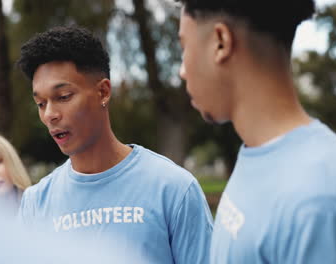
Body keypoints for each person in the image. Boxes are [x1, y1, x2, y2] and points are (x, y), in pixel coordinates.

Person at [175, 0, 336, 263]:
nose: (182, 71)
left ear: (221, 42)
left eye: (184, 47)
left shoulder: (318, 200)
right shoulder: (259, 154)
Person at [16, 26, 213, 264]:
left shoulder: (174, 189)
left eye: (64, 97)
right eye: (40, 103)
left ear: (103, 92)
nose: (50, 114)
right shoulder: (35, 203)